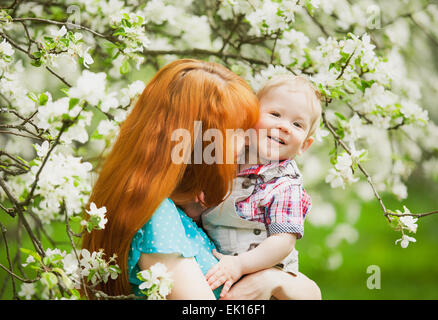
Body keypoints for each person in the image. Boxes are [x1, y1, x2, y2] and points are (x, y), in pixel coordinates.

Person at [82, 60, 321, 300]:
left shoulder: (190, 205)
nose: (247, 142)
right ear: (198, 141)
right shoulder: (156, 215)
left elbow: (311, 292)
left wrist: (273, 279)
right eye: (237, 132)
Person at [201, 75, 322, 298]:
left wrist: (240, 265)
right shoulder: (229, 157)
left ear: (305, 144)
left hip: (263, 277)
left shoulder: (286, 185)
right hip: (221, 265)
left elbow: (283, 242)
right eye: (275, 114)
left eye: (297, 124)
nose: (284, 126)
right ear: (251, 118)